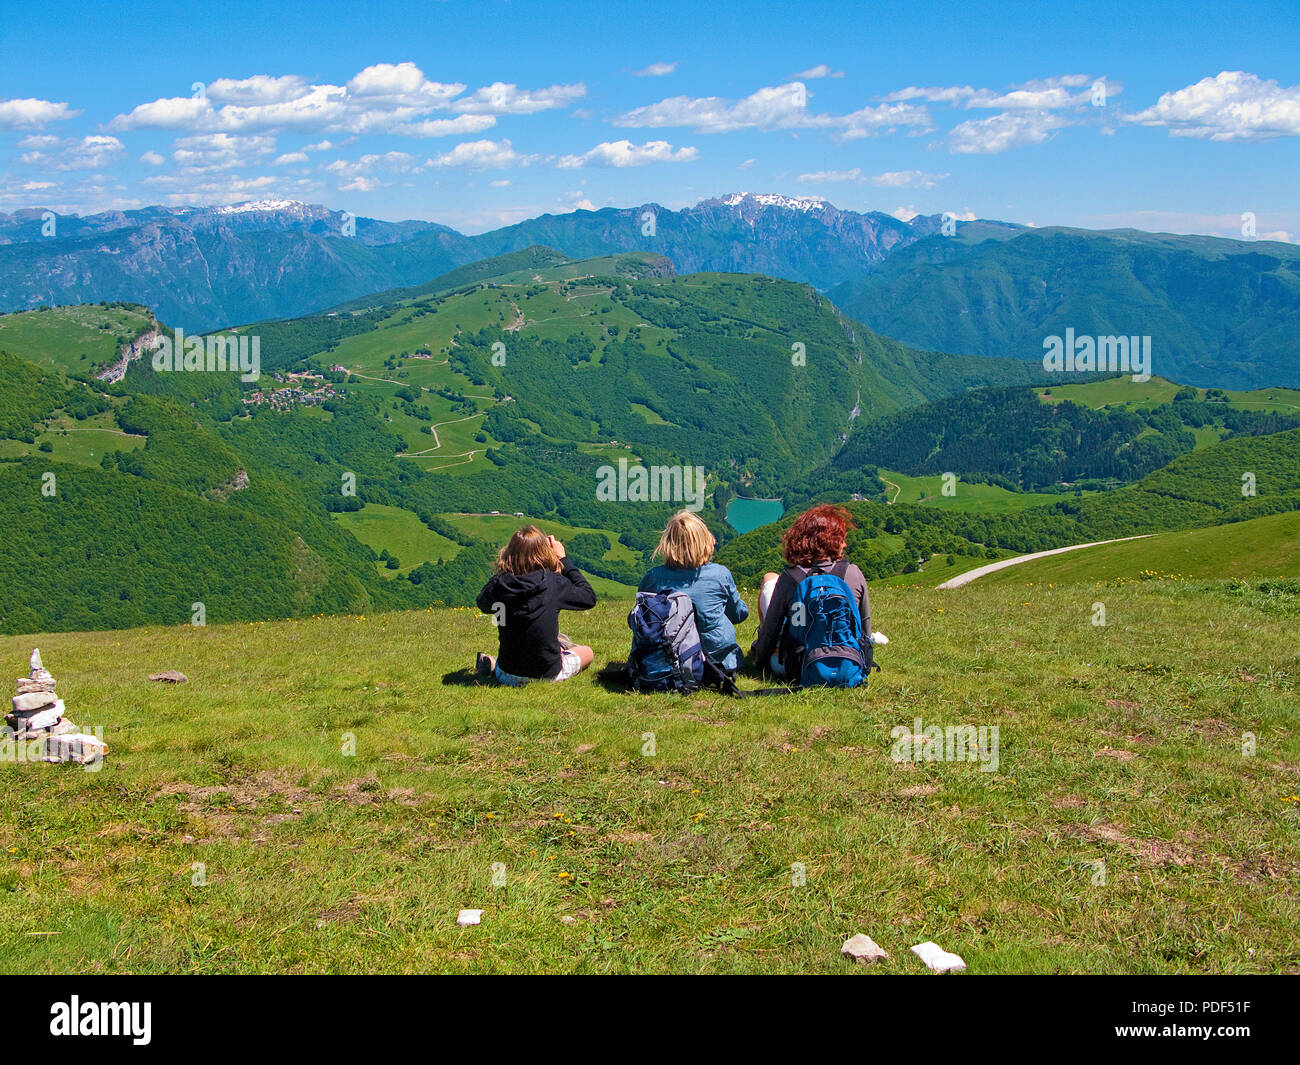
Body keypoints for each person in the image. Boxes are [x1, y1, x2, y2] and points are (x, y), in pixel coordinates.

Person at [748, 504, 872, 685]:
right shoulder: (853, 572)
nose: (845, 544)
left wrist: (758, 659)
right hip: (849, 664)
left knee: (770, 579)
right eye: (842, 538)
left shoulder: (791, 577)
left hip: (798, 667)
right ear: (832, 541)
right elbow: (864, 627)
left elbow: (771, 630)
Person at [474, 526, 596, 686]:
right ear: (545, 553)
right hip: (548, 673)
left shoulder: (500, 585)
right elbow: (589, 596)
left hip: (507, 674)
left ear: (509, 553)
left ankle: (492, 663)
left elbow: (482, 602)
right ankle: (560, 647)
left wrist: (501, 573)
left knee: (521, 646)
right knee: (587, 652)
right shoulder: (552, 582)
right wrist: (563, 559)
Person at [637, 511, 749, 674]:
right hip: (720, 661)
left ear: (667, 544)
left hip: (668, 660)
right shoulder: (720, 575)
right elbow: (739, 615)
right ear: (705, 540)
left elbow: (642, 619)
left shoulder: (653, 577)